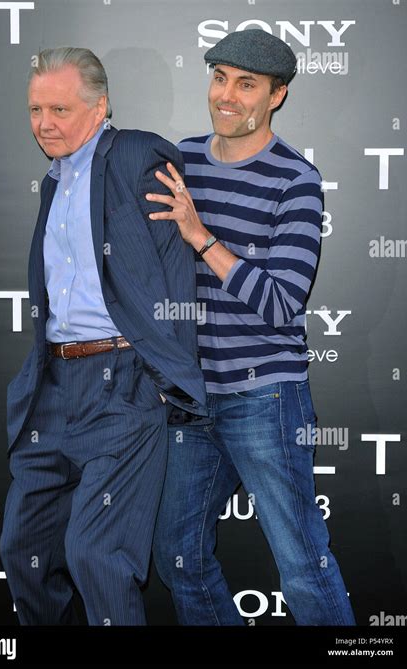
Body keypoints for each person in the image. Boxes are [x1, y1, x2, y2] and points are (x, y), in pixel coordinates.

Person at [149, 29, 356, 625]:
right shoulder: (179, 163)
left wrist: (202, 237)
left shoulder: (297, 181)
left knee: (301, 563)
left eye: (247, 84)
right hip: (190, 398)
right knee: (180, 557)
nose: (227, 96)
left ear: (277, 96)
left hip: (266, 396)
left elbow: (281, 303)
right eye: (220, 78)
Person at [0, 46, 207, 626]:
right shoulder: (53, 181)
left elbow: (170, 270)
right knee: (24, 552)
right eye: (36, 110)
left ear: (101, 106)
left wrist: (163, 375)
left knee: (96, 555)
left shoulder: (139, 156)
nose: (44, 124)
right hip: (52, 387)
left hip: (122, 385)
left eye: (60, 109)